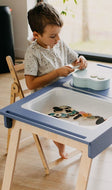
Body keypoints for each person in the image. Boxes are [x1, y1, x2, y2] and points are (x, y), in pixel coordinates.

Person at [24, 2, 87, 159]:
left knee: (84, 104)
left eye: (59, 34)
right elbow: (30, 84)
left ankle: (81, 137)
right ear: (36, 35)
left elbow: (74, 60)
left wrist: (81, 60)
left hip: (62, 90)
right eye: (53, 36)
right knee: (58, 120)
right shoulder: (33, 53)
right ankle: (61, 145)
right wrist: (56, 73)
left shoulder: (58, 43)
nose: (58, 39)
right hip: (43, 98)